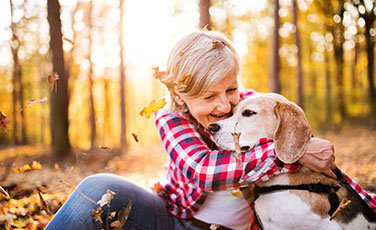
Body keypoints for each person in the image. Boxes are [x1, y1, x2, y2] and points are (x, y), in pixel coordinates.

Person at [45, 31, 376, 230]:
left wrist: (366, 201)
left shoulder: (251, 107)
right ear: (179, 95)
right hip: (175, 222)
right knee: (99, 188)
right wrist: (288, 152)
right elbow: (204, 170)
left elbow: (317, 167)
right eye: (208, 97)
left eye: (230, 89)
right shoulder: (170, 118)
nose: (224, 106)